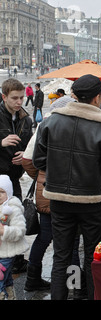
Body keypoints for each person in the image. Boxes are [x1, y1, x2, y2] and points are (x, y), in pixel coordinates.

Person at [32, 74, 101, 300]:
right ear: (97, 97)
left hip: (59, 198)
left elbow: (38, 161)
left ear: (74, 95)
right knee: (92, 255)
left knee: (61, 255)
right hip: (91, 200)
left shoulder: (50, 122)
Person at [21, 96, 76, 293]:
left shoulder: (44, 126)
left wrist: (41, 175)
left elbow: (28, 160)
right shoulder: (69, 126)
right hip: (66, 192)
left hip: (45, 190)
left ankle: (32, 279)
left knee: (44, 237)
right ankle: (73, 285)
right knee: (70, 239)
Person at [0, 78, 33, 275]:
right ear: (4, 97)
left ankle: (18, 259)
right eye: (14, 98)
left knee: (16, 214)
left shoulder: (26, 119)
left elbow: (30, 144)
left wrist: (25, 155)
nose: (19, 102)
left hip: (14, 176)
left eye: (22, 97)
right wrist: (1, 142)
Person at [0, 175, 29, 300]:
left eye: (1, 192)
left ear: (9, 192)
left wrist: (4, 231)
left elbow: (20, 231)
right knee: (6, 279)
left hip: (7, 252)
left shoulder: (13, 209)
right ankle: (11, 296)